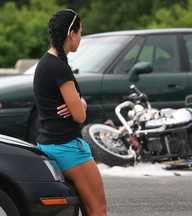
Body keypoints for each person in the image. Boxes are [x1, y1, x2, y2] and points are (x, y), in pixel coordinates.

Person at [33, 9, 107, 216]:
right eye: (80, 33)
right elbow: (80, 115)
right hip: (68, 149)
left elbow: (74, 107)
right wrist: (81, 103)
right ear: (71, 34)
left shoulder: (44, 63)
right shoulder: (59, 68)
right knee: (97, 210)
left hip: (48, 144)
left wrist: (78, 103)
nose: (81, 38)